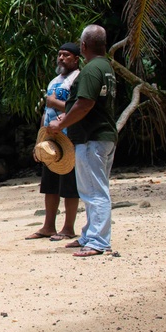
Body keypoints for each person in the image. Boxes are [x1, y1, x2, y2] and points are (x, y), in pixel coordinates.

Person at [46, 25, 118, 257]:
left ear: (84, 46)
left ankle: (98, 241)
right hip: (103, 136)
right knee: (91, 188)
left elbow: (84, 103)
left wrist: (61, 123)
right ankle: (89, 234)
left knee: (95, 191)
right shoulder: (106, 67)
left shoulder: (91, 70)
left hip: (92, 137)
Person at [26, 42, 81, 241]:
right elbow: (46, 113)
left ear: (76, 59)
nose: (61, 58)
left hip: (69, 137)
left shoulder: (79, 79)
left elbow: (79, 107)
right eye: (59, 55)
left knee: (69, 185)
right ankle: (48, 226)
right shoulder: (53, 81)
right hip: (51, 139)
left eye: (66, 55)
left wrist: (54, 103)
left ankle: (68, 228)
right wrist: (39, 140)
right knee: (49, 184)